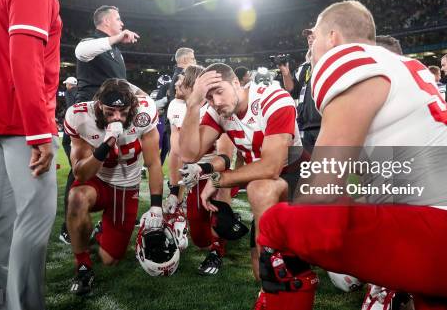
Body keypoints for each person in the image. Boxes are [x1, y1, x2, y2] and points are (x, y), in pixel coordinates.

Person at [256, 0, 447, 310]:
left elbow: (322, 190)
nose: (310, 47)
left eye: (311, 36)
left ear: (332, 37)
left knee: (279, 223)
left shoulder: (345, 58)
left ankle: (385, 292)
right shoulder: (407, 67)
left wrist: (322, 241)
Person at [0, 0, 90, 310]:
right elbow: (24, 60)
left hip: (2, 119)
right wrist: (40, 131)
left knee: (0, 220)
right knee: (36, 218)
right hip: (22, 123)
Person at [178, 63, 302, 281]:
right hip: (264, 178)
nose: (215, 102)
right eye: (208, 97)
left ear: (236, 83)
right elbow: (189, 155)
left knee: (259, 189)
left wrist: (218, 180)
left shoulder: (273, 98)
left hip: (297, 176)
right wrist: (193, 105)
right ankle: (273, 288)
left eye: (219, 92)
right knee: (259, 266)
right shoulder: (217, 111)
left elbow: (272, 166)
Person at [64, 79, 164, 295]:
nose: (117, 117)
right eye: (110, 111)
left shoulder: (144, 112)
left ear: (133, 106)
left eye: (123, 111)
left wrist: (156, 206)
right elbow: (80, 173)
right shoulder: (79, 115)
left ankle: (100, 231)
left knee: (110, 259)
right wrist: (107, 143)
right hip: (96, 179)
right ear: (98, 104)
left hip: (126, 185)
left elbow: (154, 162)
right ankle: (83, 266)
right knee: (76, 197)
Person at [167, 65, 235, 275]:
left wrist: (208, 173)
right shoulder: (176, 108)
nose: (177, 83)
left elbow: (225, 158)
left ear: (193, 84)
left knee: (219, 193)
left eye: (182, 79)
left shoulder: (216, 109)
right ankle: (214, 237)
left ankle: (218, 248)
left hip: (213, 171)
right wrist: (173, 190)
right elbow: (176, 154)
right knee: (200, 241)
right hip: (193, 173)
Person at [74, 6, 140, 103]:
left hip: (113, 110)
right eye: (118, 19)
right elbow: (80, 52)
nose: (122, 23)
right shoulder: (92, 41)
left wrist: (138, 92)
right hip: (91, 110)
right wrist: (117, 38)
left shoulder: (115, 49)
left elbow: (117, 80)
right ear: (107, 21)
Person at [279, 29, 321, 151]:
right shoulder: (304, 67)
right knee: (306, 167)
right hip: (304, 126)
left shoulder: (331, 62)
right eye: (308, 38)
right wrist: (286, 74)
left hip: (324, 126)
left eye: (313, 36)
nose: (310, 39)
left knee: (326, 166)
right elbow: (293, 91)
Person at [59, 75, 78, 244]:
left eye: (67, 84)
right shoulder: (76, 92)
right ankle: (68, 227)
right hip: (76, 132)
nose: (66, 86)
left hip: (74, 130)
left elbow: (72, 110)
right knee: (77, 174)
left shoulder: (71, 93)